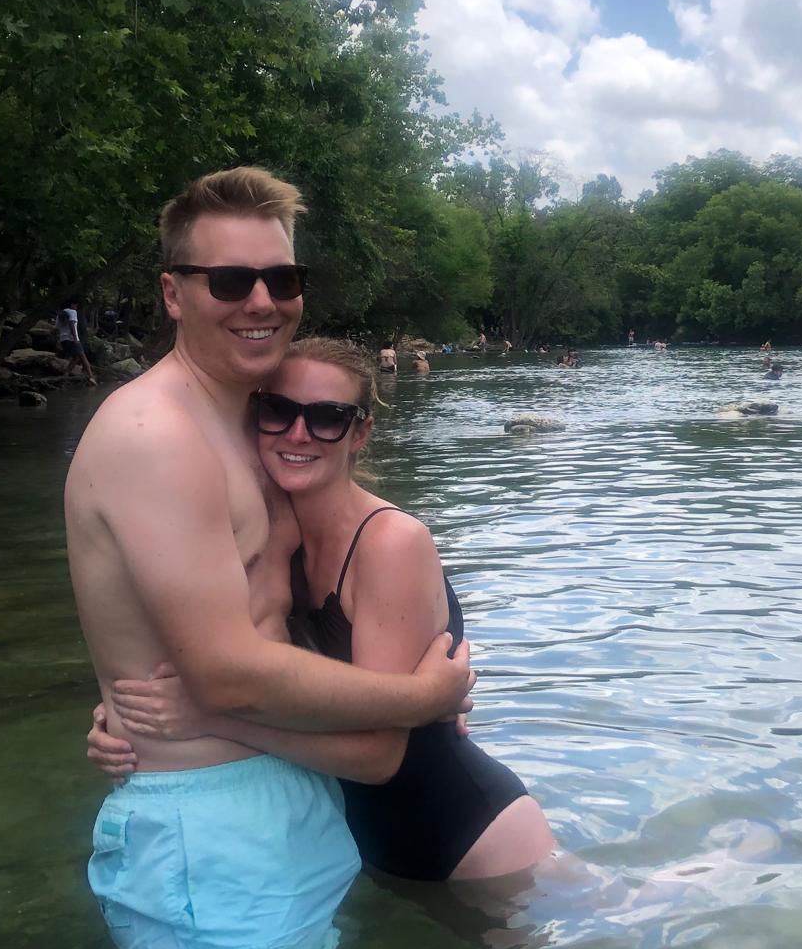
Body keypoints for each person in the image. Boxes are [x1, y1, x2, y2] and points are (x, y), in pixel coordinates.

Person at [65, 167, 473, 949]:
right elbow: (224, 672)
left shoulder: (248, 416)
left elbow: (281, 597)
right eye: (229, 280)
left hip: (281, 796)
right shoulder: (155, 435)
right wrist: (422, 699)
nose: (261, 300)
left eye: (281, 278)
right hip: (210, 824)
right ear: (172, 294)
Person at [95, 339, 555, 885]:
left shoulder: (389, 543)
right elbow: (227, 659)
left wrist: (209, 721)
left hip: (480, 847)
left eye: (327, 418)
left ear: (359, 433)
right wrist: (124, 725)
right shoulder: (271, 539)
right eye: (279, 410)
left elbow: (380, 757)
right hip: (360, 847)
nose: (298, 434)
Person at [57, 297, 98, 387]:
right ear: (72, 304)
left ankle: (65, 375)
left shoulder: (60, 313)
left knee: (76, 357)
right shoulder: (72, 312)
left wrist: (59, 340)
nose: (76, 307)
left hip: (63, 339)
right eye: (76, 305)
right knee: (83, 357)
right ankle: (91, 377)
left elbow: (57, 327)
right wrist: (76, 339)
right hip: (72, 339)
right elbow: (72, 324)